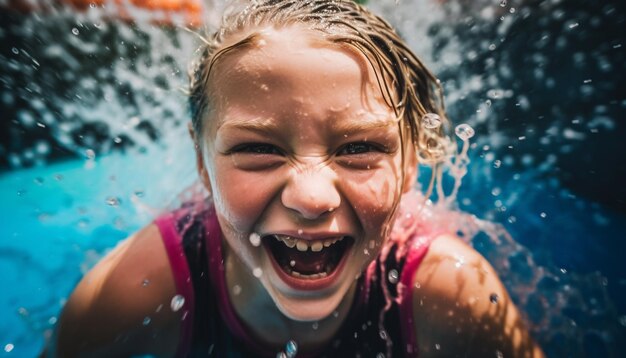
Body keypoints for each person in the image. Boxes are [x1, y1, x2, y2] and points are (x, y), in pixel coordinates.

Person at [46, 0, 544, 356]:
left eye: (360, 149)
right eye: (258, 150)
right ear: (202, 164)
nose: (311, 197)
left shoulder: (451, 293)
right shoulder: (134, 292)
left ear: (411, 164)